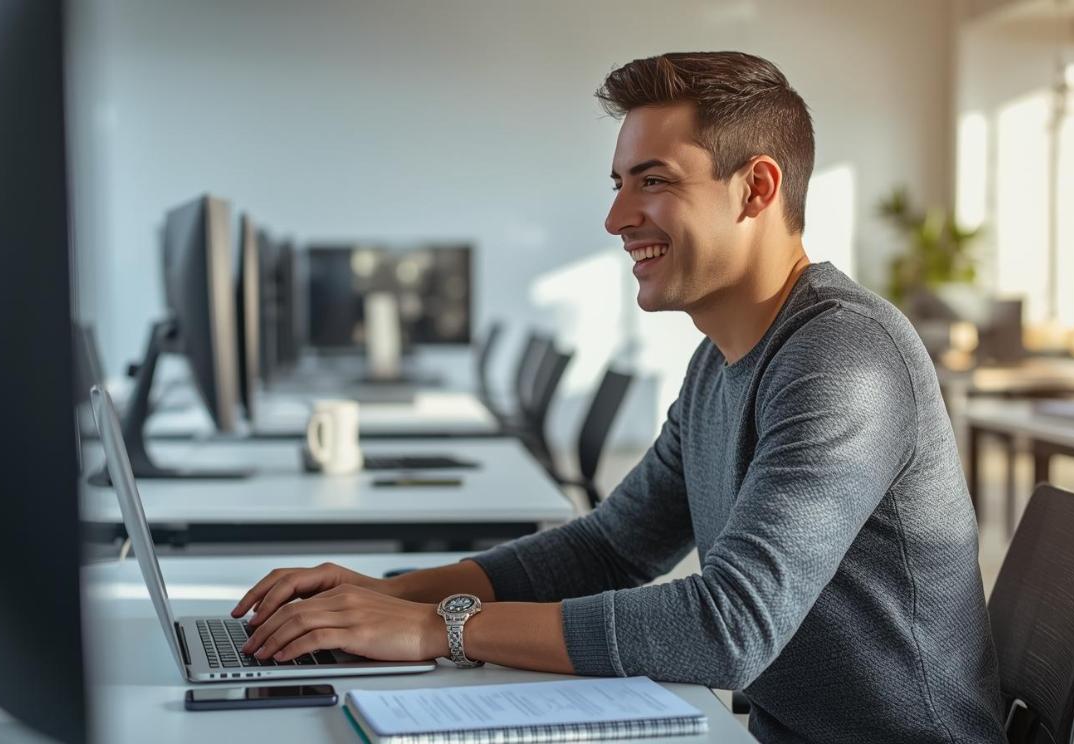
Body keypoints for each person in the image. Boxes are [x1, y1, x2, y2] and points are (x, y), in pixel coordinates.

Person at [232, 51, 1005, 742]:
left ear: (756, 188)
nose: (616, 218)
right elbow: (609, 546)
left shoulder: (843, 357)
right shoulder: (721, 361)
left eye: (654, 182)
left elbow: (729, 627)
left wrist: (441, 628)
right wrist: (387, 594)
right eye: (619, 184)